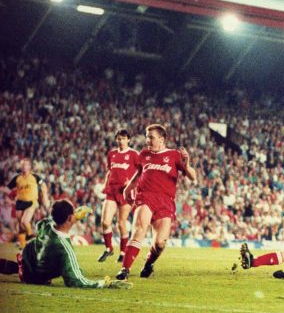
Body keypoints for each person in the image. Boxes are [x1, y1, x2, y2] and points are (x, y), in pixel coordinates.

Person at [116, 124, 197, 280]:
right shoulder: (144, 154)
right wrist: (128, 188)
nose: (148, 140)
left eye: (151, 137)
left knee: (160, 243)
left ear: (162, 139)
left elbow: (193, 177)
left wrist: (187, 165)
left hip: (166, 202)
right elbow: (139, 173)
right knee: (139, 228)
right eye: (146, 136)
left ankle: (148, 264)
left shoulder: (174, 155)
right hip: (145, 196)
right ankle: (125, 269)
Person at [0, 199, 131, 289]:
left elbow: (41, 223)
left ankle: (18, 267)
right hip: (34, 278)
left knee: (22, 263)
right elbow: (75, 280)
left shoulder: (45, 225)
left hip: (26, 259)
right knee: (72, 269)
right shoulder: (64, 248)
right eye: (74, 214)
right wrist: (105, 283)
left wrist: (73, 216)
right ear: (69, 218)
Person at [98, 129, 140, 263]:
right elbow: (109, 172)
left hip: (125, 191)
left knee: (121, 223)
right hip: (112, 190)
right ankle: (109, 248)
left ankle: (123, 252)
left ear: (128, 140)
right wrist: (105, 185)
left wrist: (132, 184)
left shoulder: (134, 154)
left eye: (123, 138)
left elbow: (141, 172)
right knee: (105, 222)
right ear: (116, 140)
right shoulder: (111, 154)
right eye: (119, 139)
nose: (121, 141)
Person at [1, 158, 50, 249]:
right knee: (20, 224)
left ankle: (32, 237)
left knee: (25, 221)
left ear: (29, 167)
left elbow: (43, 185)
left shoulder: (35, 177)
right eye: (22, 164)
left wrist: (45, 196)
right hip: (20, 203)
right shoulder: (17, 178)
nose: (24, 166)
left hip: (31, 202)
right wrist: (2, 189)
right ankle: (23, 246)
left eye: (26, 165)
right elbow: (7, 189)